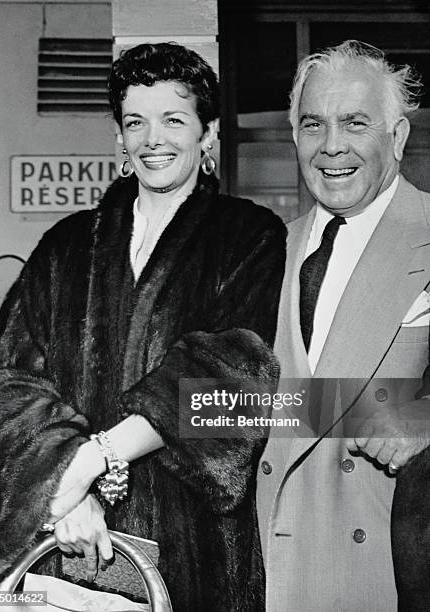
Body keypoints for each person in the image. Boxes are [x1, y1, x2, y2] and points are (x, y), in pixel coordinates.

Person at [0, 42, 286, 611]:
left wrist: (92, 460)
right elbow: (4, 382)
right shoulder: (64, 246)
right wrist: (64, 488)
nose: (153, 139)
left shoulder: (250, 236)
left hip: (195, 551)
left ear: (207, 133)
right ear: (119, 137)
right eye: (135, 122)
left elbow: (233, 378)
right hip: (65, 547)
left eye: (174, 119)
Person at [257, 40, 430, 611]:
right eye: (313, 125)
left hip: (387, 571)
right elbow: (218, 408)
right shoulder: (265, 250)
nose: (331, 146)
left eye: (355, 123)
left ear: (397, 138)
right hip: (264, 574)